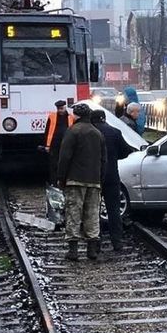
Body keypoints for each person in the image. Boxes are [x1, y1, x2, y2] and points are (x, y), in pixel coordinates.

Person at [58, 104, 107, 261]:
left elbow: (65, 157)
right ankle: (91, 250)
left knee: (74, 213)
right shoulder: (97, 133)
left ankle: (73, 251)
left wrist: (61, 177)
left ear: (76, 116)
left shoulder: (72, 131)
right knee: (92, 214)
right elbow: (103, 160)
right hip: (94, 180)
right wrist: (101, 179)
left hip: (75, 180)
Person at [91, 110, 132, 251]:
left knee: (93, 209)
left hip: (94, 177)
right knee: (114, 210)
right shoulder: (115, 132)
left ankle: (96, 243)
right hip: (112, 176)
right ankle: (117, 242)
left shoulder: (91, 133)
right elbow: (125, 151)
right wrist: (114, 157)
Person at [42, 100, 74, 185]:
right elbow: (47, 131)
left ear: (65, 107)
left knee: (66, 163)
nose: (60, 110)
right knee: (54, 165)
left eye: (62, 108)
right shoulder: (52, 116)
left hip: (67, 144)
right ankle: (54, 182)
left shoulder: (71, 117)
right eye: (59, 109)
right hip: (54, 145)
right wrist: (47, 145)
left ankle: (65, 182)